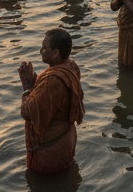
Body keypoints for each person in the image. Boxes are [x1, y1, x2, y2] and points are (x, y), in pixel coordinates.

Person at [19, 28, 85, 175]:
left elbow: (27, 112)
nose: (40, 50)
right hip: (65, 140)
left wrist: (27, 86)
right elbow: (52, 100)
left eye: (44, 48)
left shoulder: (52, 81)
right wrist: (36, 83)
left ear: (55, 53)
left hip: (50, 151)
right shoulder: (71, 67)